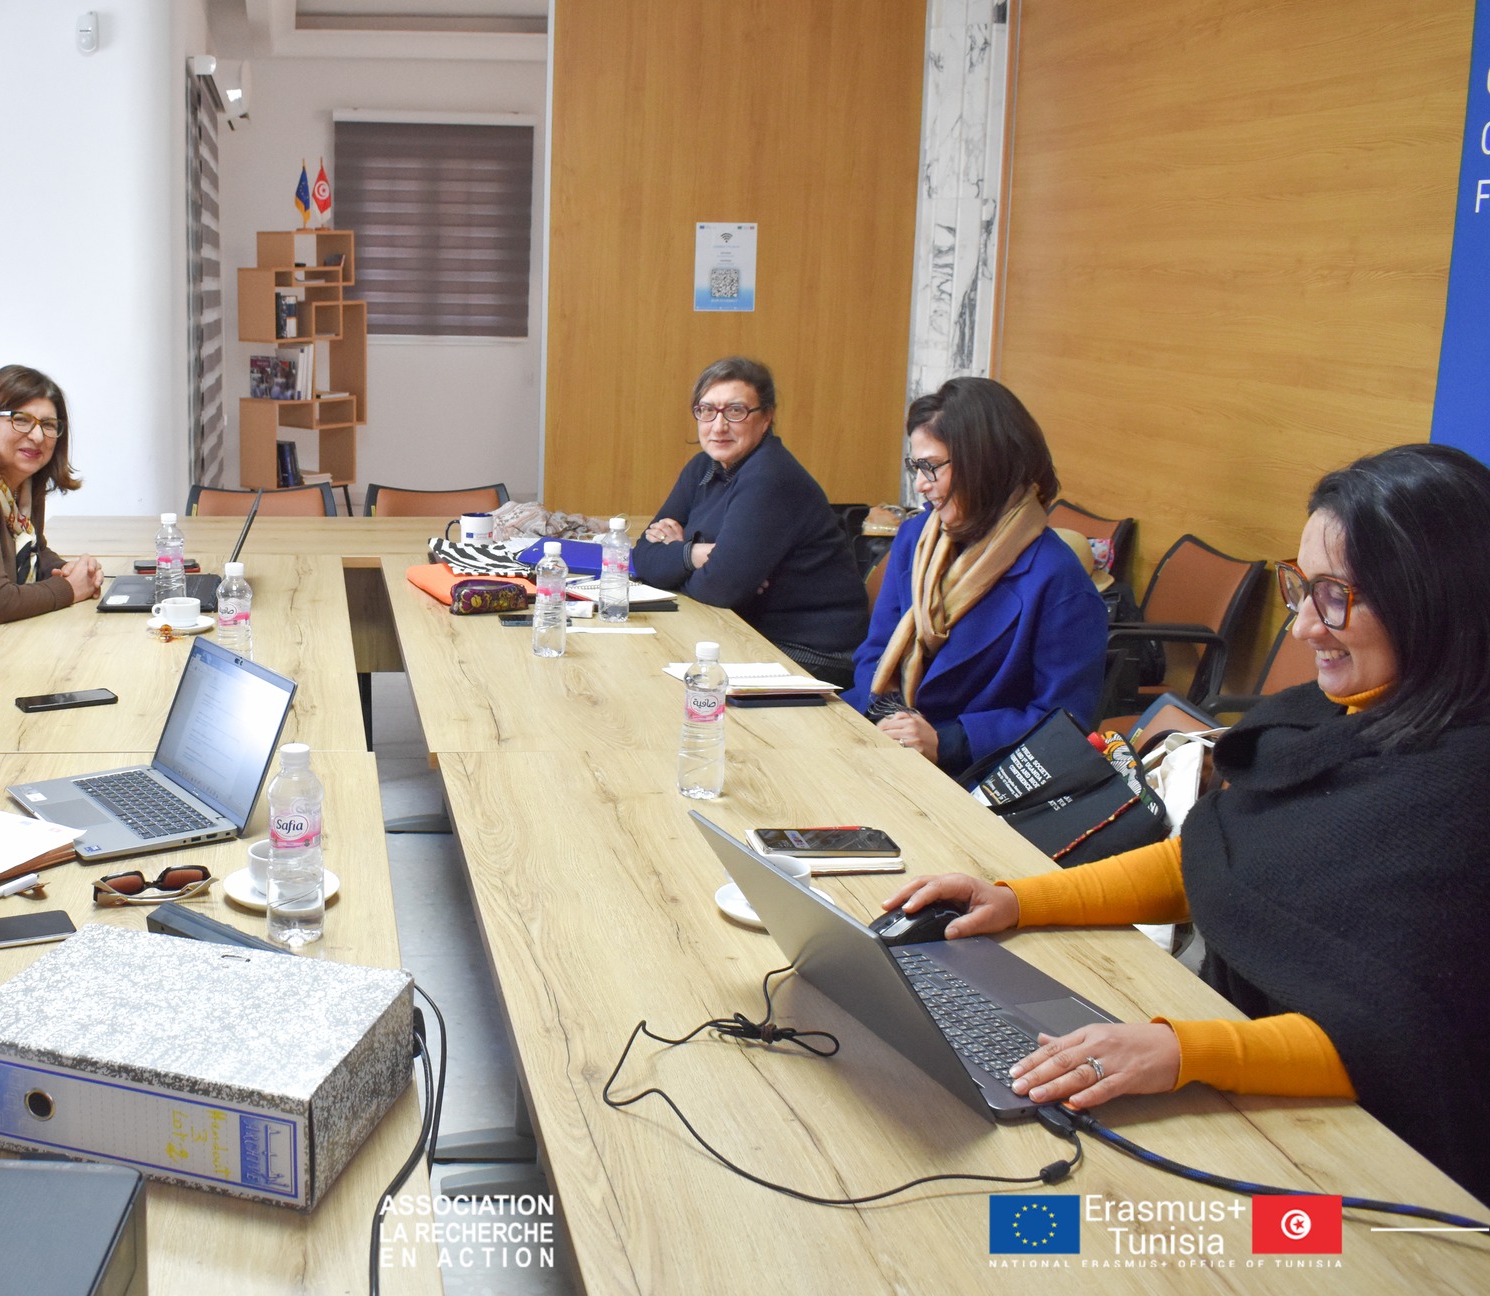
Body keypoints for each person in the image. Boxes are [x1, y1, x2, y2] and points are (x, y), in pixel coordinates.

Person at [882, 443, 1490, 1200]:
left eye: (1335, 596)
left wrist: (1179, 1052)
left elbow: (1398, 1044)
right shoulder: (1325, 716)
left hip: (1362, 1156)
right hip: (1232, 1071)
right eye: (1302, 587)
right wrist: (1017, 898)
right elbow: (1208, 857)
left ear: (1436, 601)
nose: (1304, 627)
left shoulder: (1463, 797)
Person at [841, 377, 1106, 775]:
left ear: (985, 464)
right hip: (884, 734)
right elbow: (876, 650)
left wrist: (946, 742)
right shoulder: (915, 537)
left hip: (973, 771)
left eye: (931, 467)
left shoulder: (1058, 580)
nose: (920, 485)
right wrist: (893, 718)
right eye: (916, 466)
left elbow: (1063, 723)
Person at [631, 357, 869, 687]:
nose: (718, 426)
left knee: (666, 687)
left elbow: (718, 589)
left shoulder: (770, 476)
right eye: (707, 410)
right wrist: (697, 555)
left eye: (736, 411)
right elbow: (643, 556)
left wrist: (689, 565)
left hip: (807, 653)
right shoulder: (702, 467)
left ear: (766, 417)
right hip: (741, 632)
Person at [0, 364, 104, 623]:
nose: (37, 436)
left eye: (48, 424)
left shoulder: (24, 483)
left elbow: (36, 552)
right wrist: (70, 588)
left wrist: (67, 570)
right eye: (21, 420)